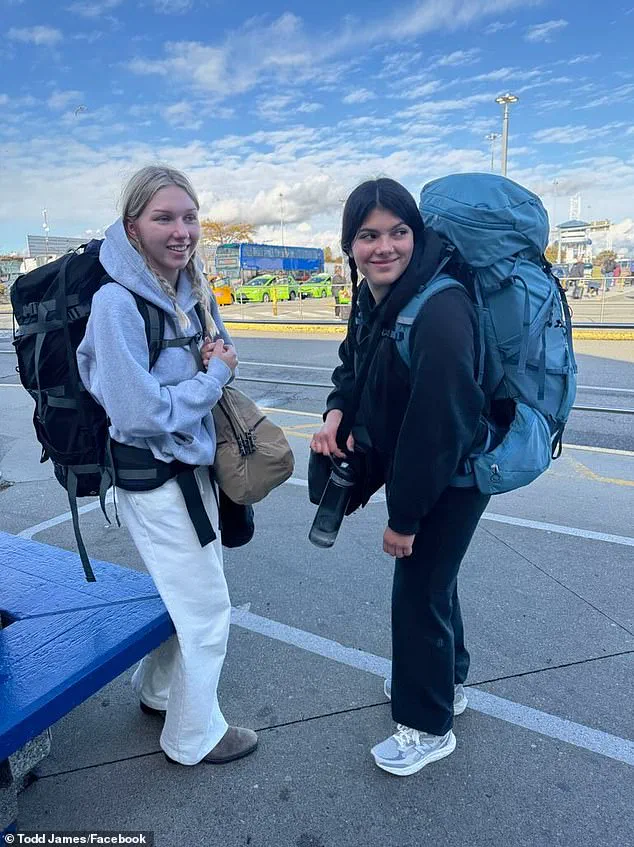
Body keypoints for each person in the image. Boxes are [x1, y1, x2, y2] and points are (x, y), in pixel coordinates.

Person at [76, 165, 258, 766]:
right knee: (209, 612)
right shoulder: (116, 302)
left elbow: (222, 354)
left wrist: (215, 360)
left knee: (186, 599)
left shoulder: (192, 287)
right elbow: (137, 414)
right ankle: (192, 736)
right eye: (163, 218)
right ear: (132, 228)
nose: (182, 231)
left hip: (193, 472)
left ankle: (157, 692)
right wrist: (212, 379)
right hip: (154, 481)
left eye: (189, 216)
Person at [310, 178, 490, 777]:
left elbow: (439, 425)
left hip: (453, 474)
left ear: (417, 233)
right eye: (368, 235)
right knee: (436, 583)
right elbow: (356, 360)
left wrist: (404, 517)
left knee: (415, 593)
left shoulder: (440, 308)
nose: (383, 247)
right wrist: (339, 408)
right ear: (350, 243)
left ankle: (427, 725)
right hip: (432, 468)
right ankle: (449, 682)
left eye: (397, 232)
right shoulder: (378, 295)